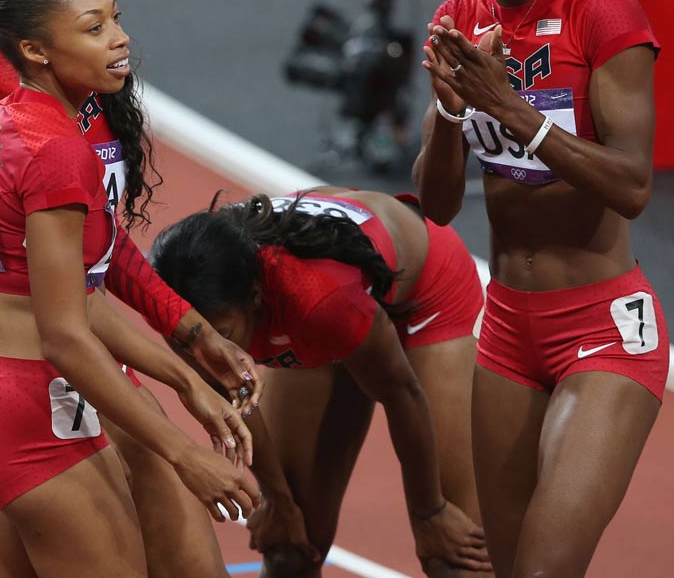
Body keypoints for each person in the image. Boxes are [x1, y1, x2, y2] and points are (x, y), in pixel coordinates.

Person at [0, 0, 260, 577]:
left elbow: (91, 256)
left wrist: (188, 341)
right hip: (36, 380)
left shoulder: (54, 105)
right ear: (38, 4)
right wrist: (171, 430)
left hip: (46, 370)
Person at [414, 0, 669, 577]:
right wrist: (453, 111)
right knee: (500, 567)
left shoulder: (606, 16)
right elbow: (435, 209)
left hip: (603, 329)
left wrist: (513, 108)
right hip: (507, 332)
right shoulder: (458, 18)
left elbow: (633, 185)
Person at [150, 187, 492, 576]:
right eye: (192, 339)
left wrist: (429, 512)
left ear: (256, 295)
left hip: (422, 294)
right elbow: (236, 400)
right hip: (326, 311)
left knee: (455, 558)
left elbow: (403, 395)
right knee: (290, 548)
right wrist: (278, 501)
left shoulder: (317, 299)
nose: (208, 353)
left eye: (223, 334)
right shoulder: (173, 308)